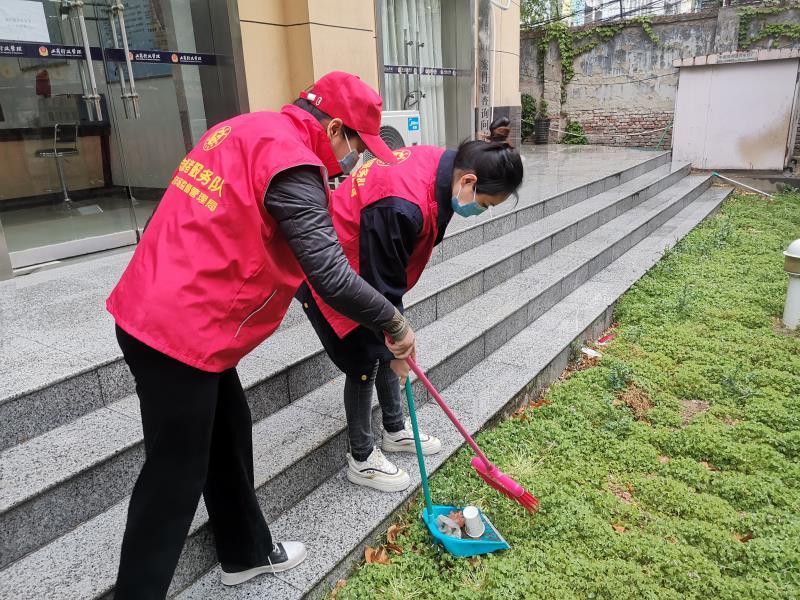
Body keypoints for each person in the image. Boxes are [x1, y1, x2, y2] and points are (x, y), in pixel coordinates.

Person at [105, 71, 417, 599]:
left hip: (166, 308)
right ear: (335, 128)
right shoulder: (293, 160)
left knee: (229, 428)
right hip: (178, 331)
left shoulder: (244, 129)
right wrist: (395, 322)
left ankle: (245, 552)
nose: (353, 160)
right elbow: (330, 276)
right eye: (355, 145)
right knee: (172, 481)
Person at [296, 118, 524, 492]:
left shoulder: (444, 168)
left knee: (389, 343)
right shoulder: (402, 202)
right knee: (363, 360)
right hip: (334, 273)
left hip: (368, 264)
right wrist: (395, 333)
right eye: (484, 204)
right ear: (468, 182)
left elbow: (393, 271)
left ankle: (395, 429)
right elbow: (379, 283)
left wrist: (396, 334)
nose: (480, 211)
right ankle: (362, 457)